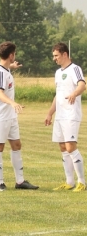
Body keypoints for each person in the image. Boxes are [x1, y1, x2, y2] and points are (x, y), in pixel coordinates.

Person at [0, 41, 39, 191]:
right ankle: (0, 182)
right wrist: (12, 103)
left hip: (10, 116)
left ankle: (20, 181)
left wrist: (12, 67)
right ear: (11, 55)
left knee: (16, 145)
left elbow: (5, 70)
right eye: (14, 54)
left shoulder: (5, 69)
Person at [45, 42, 86, 192]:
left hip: (71, 114)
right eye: (53, 56)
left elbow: (82, 84)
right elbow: (58, 94)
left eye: (56, 56)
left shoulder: (75, 69)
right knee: (63, 147)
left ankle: (82, 182)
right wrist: (50, 113)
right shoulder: (57, 73)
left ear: (64, 54)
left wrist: (74, 94)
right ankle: (69, 182)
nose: (54, 59)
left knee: (70, 146)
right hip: (60, 115)